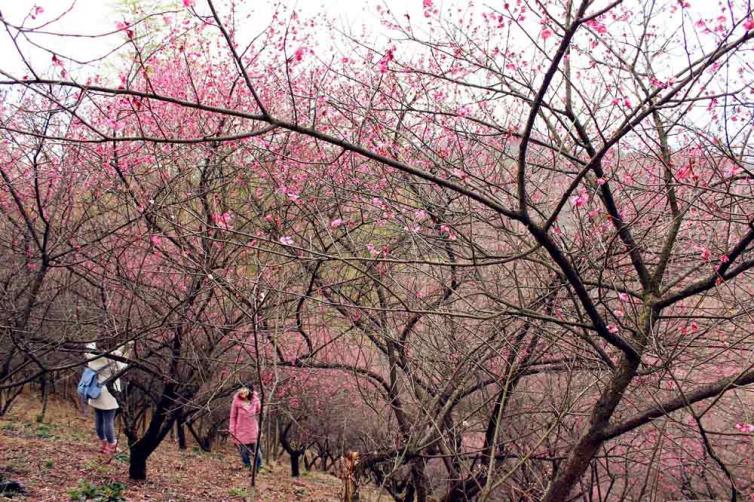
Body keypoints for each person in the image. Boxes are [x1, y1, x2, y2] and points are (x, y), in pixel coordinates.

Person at [84, 341, 132, 456]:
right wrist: (129, 345)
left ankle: (103, 445)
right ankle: (112, 445)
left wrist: (93, 341)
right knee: (108, 421)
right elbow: (124, 365)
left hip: (96, 390)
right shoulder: (115, 358)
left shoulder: (95, 358)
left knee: (99, 420)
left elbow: (88, 348)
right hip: (110, 392)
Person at [229, 385, 262, 471]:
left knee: (258, 454)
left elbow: (259, 411)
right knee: (243, 452)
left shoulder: (255, 400)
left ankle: (257, 469)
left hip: (253, 430)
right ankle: (247, 466)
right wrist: (232, 430)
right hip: (241, 431)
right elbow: (233, 417)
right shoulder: (236, 401)